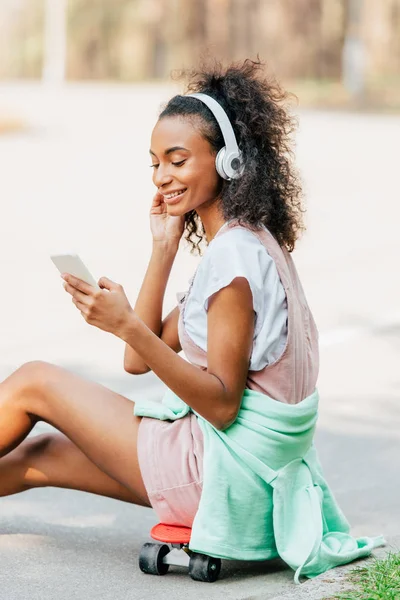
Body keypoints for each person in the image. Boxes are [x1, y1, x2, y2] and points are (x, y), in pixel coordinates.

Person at [0, 58, 384, 583]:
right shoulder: (246, 243)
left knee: (34, 382)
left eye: (177, 161)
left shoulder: (234, 262)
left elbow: (222, 405)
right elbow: (137, 361)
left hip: (218, 470)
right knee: (35, 454)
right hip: (235, 472)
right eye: (155, 163)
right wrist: (163, 247)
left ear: (227, 162)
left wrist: (125, 324)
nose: (162, 177)